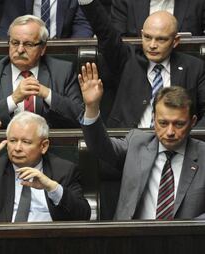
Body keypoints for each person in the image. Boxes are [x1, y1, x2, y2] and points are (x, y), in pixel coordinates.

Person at [79, 62, 205, 220]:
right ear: (153, 119)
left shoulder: (203, 155)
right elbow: (99, 147)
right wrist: (92, 107)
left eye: (179, 124)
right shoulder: (136, 143)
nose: (170, 132)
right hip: (133, 239)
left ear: (193, 122)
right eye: (163, 123)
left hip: (187, 242)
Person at [77, 0, 205, 128]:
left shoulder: (194, 68)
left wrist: (189, 140)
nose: (152, 45)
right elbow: (105, 32)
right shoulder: (128, 60)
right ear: (142, 35)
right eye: (148, 37)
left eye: (161, 39)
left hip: (177, 142)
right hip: (129, 143)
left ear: (175, 41)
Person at [0, 112, 90, 222]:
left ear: (43, 146)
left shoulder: (64, 170)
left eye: (26, 142)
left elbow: (83, 215)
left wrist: (52, 187)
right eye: (12, 140)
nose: (17, 148)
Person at [0, 15, 83, 129]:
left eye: (28, 44)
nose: (20, 50)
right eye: (15, 43)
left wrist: (47, 94)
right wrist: (13, 100)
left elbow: (81, 116)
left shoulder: (62, 72)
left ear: (42, 48)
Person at [0, 0, 93, 39]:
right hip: (26, 49)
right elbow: (9, 27)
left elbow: (83, 26)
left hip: (61, 52)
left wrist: (70, 51)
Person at [111, 0, 205, 37]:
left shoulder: (198, 3)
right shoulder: (125, 2)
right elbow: (116, 43)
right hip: (138, 69)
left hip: (187, 71)